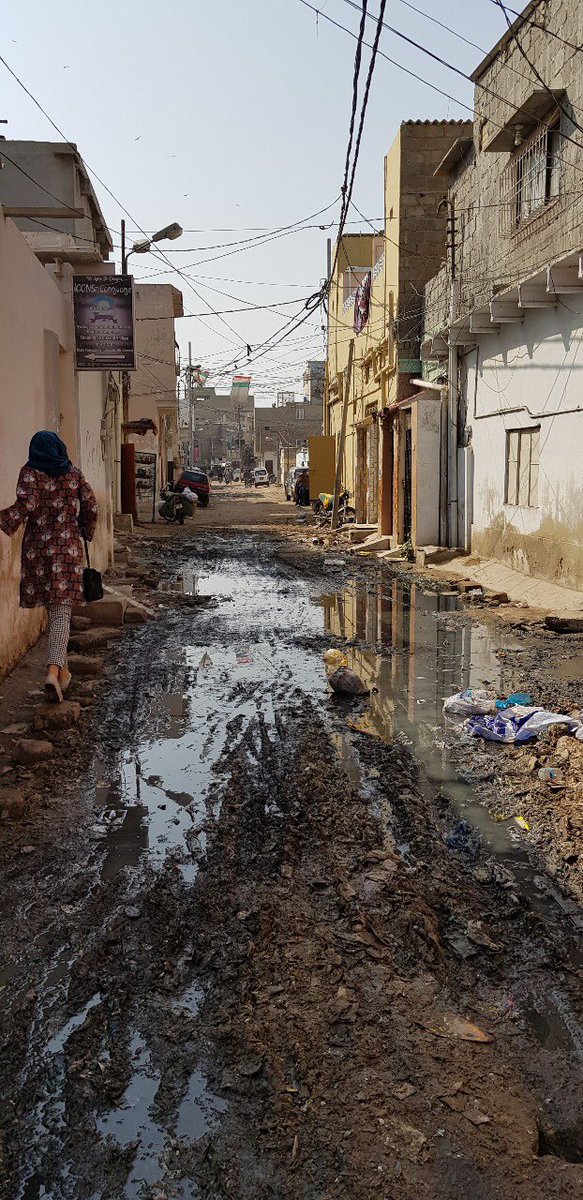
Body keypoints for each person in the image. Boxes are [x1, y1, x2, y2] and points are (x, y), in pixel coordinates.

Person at [0, 431, 98, 704]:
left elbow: (26, 505)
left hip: (38, 552)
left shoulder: (30, 472)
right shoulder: (73, 474)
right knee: (61, 613)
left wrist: (4, 521)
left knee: (55, 611)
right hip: (67, 550)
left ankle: (62, 672)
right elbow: (91, 505)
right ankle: (53, 671)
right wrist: (83, 531)